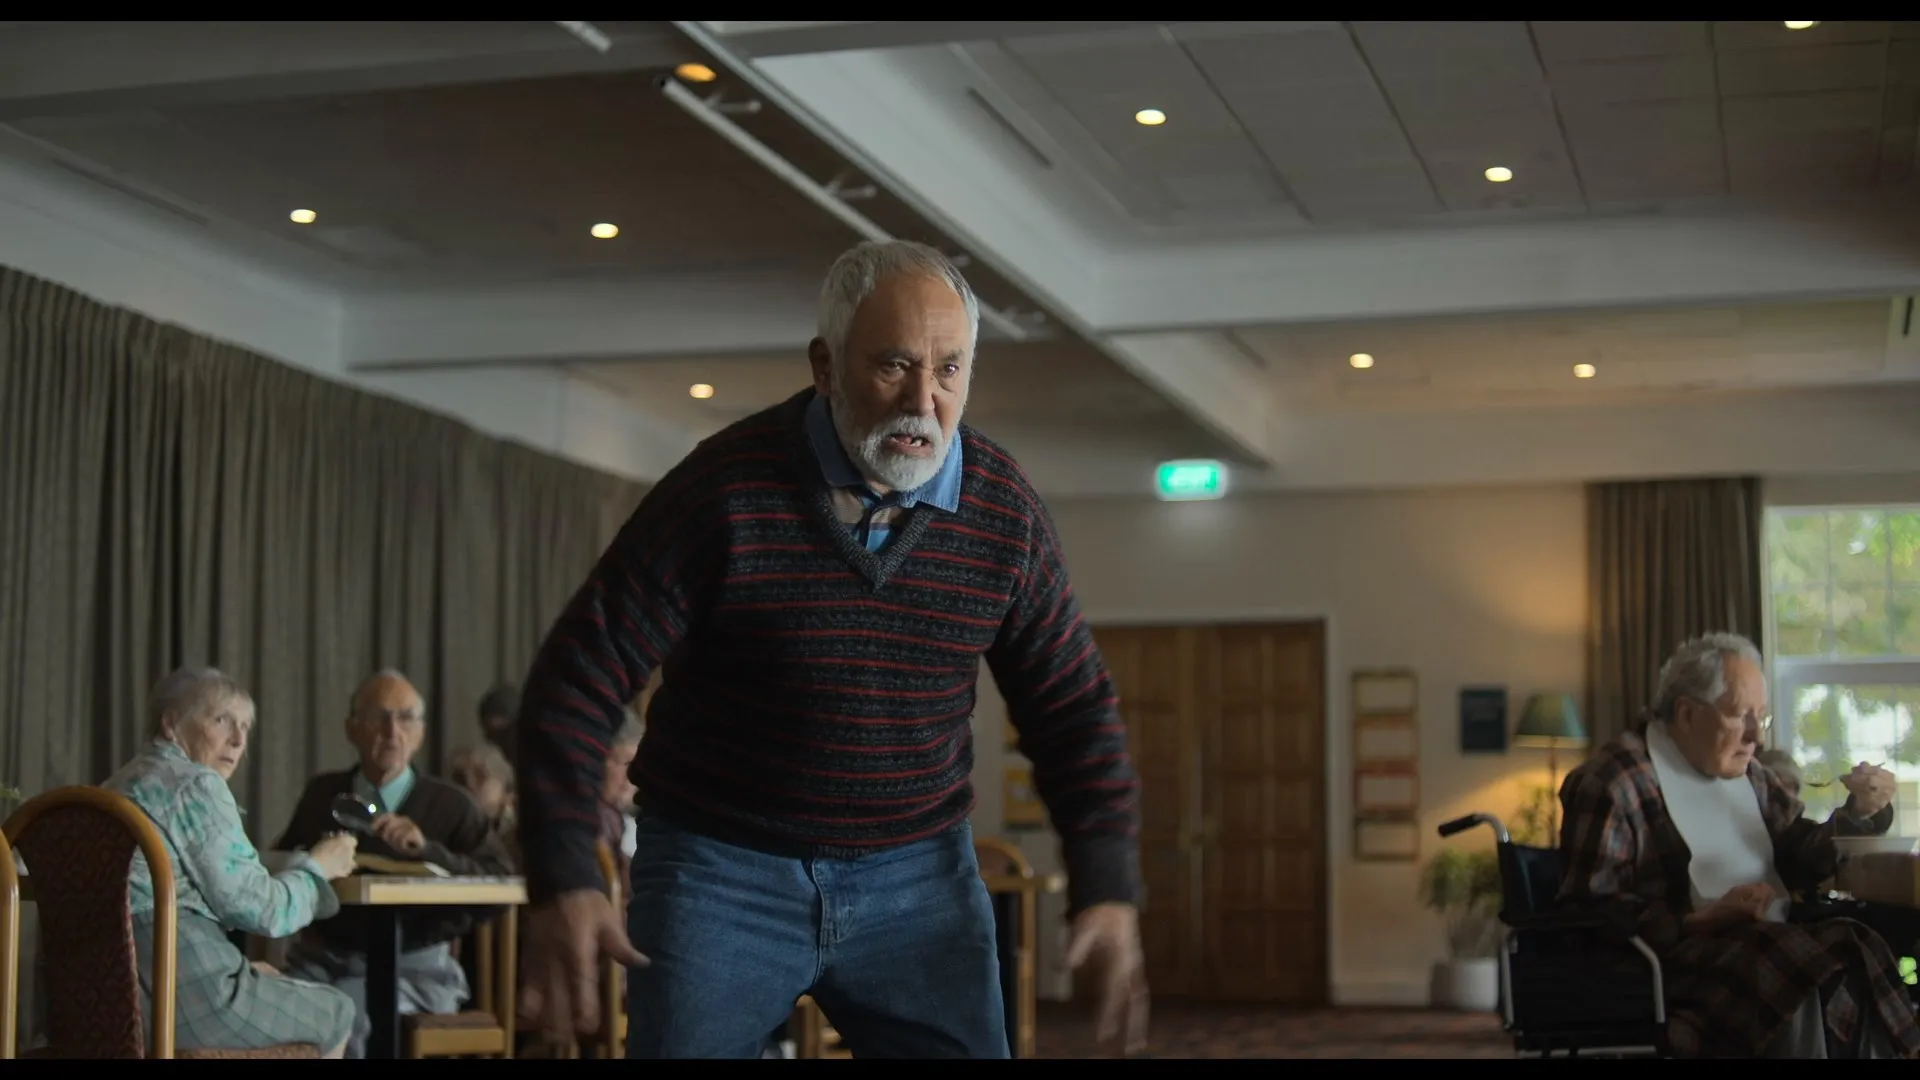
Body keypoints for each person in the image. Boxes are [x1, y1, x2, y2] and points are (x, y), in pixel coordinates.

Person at [513, 239, 1147, 1059]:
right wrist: (564, 872)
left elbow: (1072, 708)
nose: (923, 401)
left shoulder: (1003, 512)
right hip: (720, 870)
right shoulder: (725, 489)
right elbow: (578, 679)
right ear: (825, 366)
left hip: (919, 878)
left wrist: (1107, 884)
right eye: (893, 365)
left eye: (949, 370)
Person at [1558, 631, 1920, 1057]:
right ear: (1687, 714)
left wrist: (1858, 811)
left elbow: (1806, 854)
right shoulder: (1614, 781)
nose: (1757, 738)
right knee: (1792, 966)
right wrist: (1697, 920)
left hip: (1762, 941)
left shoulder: (1753, 775)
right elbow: (1590, 912)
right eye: (1740, 716)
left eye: (1761, 718)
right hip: (1663, 961)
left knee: (1855, 942)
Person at [103, 667, 360, 1057]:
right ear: (171, 724)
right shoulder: (195, 783)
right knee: (338, 1010)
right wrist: (319, 867)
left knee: (269, 978)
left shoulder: (115, 787)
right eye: (222, 720)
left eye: (245, 727)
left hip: (100, 1002)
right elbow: (265, 911)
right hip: (179, 999)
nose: (239, 741)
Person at [276, 669, 516, 1057]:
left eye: (406, 718)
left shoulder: (451, 804)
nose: (392, 732)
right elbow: (283, 861)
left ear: (420, 733)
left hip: (415, 969)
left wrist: (428, 852)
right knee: (272, 1014)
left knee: (347, 1017)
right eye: (378, 717)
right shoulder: (324, 794)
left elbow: (501, 882)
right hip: (324, 960)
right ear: (352, 729)